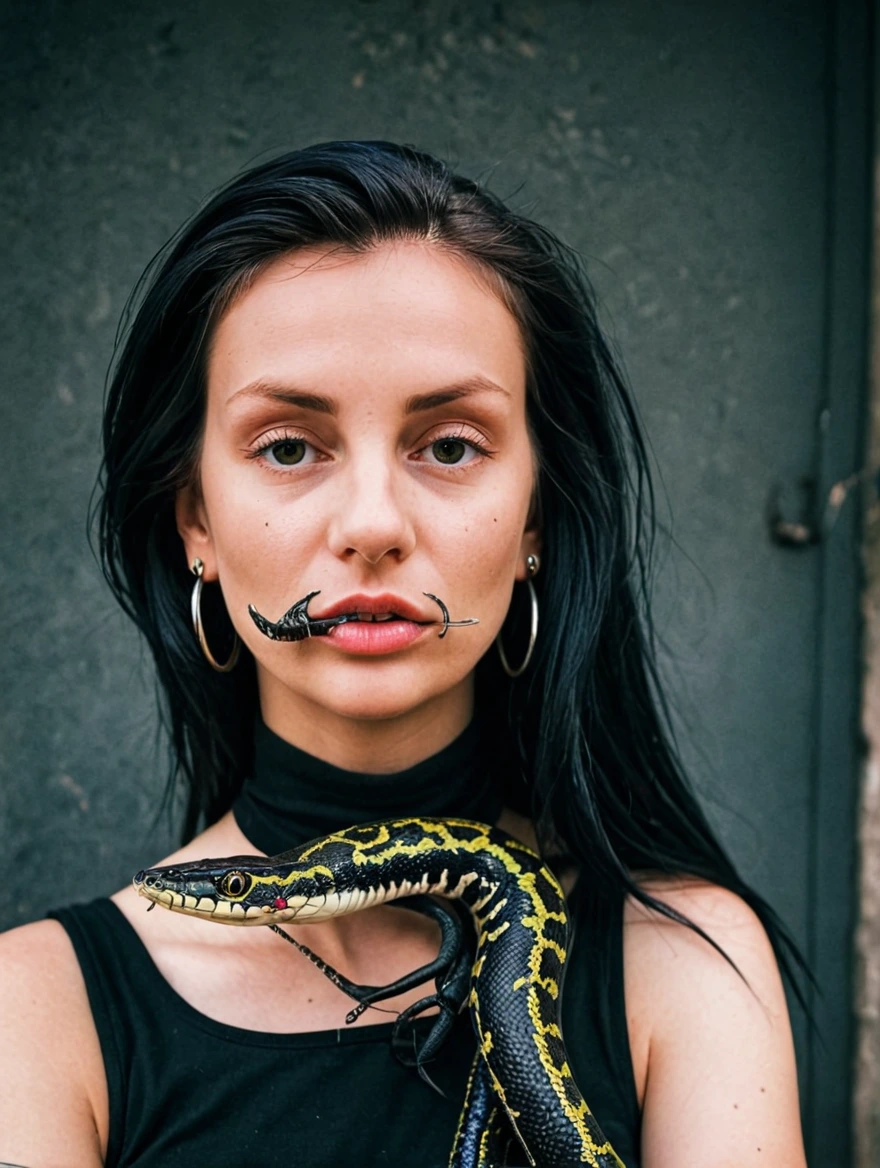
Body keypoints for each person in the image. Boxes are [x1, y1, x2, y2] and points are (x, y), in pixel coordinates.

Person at [0, 140, 808, 1167]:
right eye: (288, 446)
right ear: (193, 517)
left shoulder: (682, 964)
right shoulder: (35, 1015)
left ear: (536, 519)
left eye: (451, 445)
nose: (372, 524)